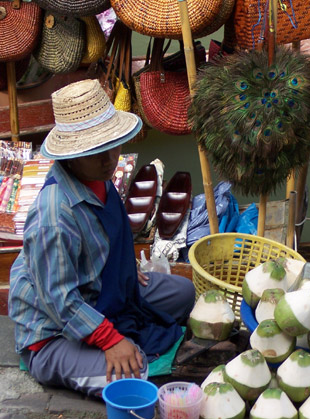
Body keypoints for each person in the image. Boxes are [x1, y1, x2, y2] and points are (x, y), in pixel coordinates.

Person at [8, 79, 196, 397]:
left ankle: (114, 326)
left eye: (113, 145)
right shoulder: (54, 216)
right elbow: (59, 301)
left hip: (100, 290)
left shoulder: (98, 176)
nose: (109, 159)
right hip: (54, 331)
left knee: (184, 292)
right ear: (71, 154)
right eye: (96, 152)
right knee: (133, 373)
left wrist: (121, 266)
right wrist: (110, 340)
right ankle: (63, 359)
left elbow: (104, 234)